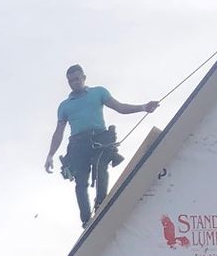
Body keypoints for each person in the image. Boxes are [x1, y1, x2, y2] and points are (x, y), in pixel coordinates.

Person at [43, 65, 159, 227]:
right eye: (71, 81)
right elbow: (58, 132)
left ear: (84, 78)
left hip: (99, 137)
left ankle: (101, 204)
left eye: (77, 79)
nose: (74, 83)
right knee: (81, 182)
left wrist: (143, 107)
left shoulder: (98, 92)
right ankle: (86, 219)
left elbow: (119, 107)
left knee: (100, 165)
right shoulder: (65, 106)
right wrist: (50, 155)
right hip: (78, 143)